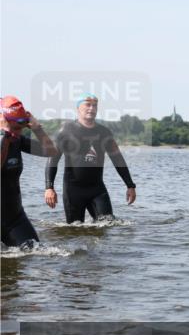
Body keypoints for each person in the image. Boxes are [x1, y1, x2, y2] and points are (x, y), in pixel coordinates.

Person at [45, 94, 136, 223]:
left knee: (108, 224)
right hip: (73, 191)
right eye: (88, 104)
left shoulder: (104, 132)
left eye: (94, 105)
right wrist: (49, 187)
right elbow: (52, 161)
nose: (91, 108)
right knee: (74, 230)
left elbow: (118, 159)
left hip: (97, 189)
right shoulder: (65, 131)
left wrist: (130, 185)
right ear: (78, 108)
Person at [2, 97, 58, 248]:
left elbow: (51, 151)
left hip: (15, 218)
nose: (18, 133)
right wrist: (4, 137)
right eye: (15, 128)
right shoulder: (6, 138)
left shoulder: (17, 139)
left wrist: (37, 128)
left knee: (37, 252)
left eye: (21, 128)